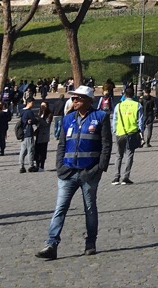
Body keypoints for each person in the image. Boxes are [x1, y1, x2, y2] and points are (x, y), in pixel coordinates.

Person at [35, 85, 112, 259]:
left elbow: (106, 145)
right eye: (73, 98)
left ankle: (90, 242)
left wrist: (99, 168)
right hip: (67, 172)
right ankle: (51, 244)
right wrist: (59, 167)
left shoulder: (100, 117)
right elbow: (62, 145)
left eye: (78, 98)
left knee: (90, 209)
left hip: (89, 172)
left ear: (88, 100)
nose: (74, 101)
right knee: (59, 208)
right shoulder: (68, 119)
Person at [111, 84, 142, 185]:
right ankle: (126, 177)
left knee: (118, 155)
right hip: (132, 132)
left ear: (124, 94)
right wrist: (141, 132)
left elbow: (114, 120)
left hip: (120, 133)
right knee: (129, 154)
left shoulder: (118, 105)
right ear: (133, 95)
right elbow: (140, 121)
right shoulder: (137, 105)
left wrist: (115, 131)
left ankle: (116, 177)